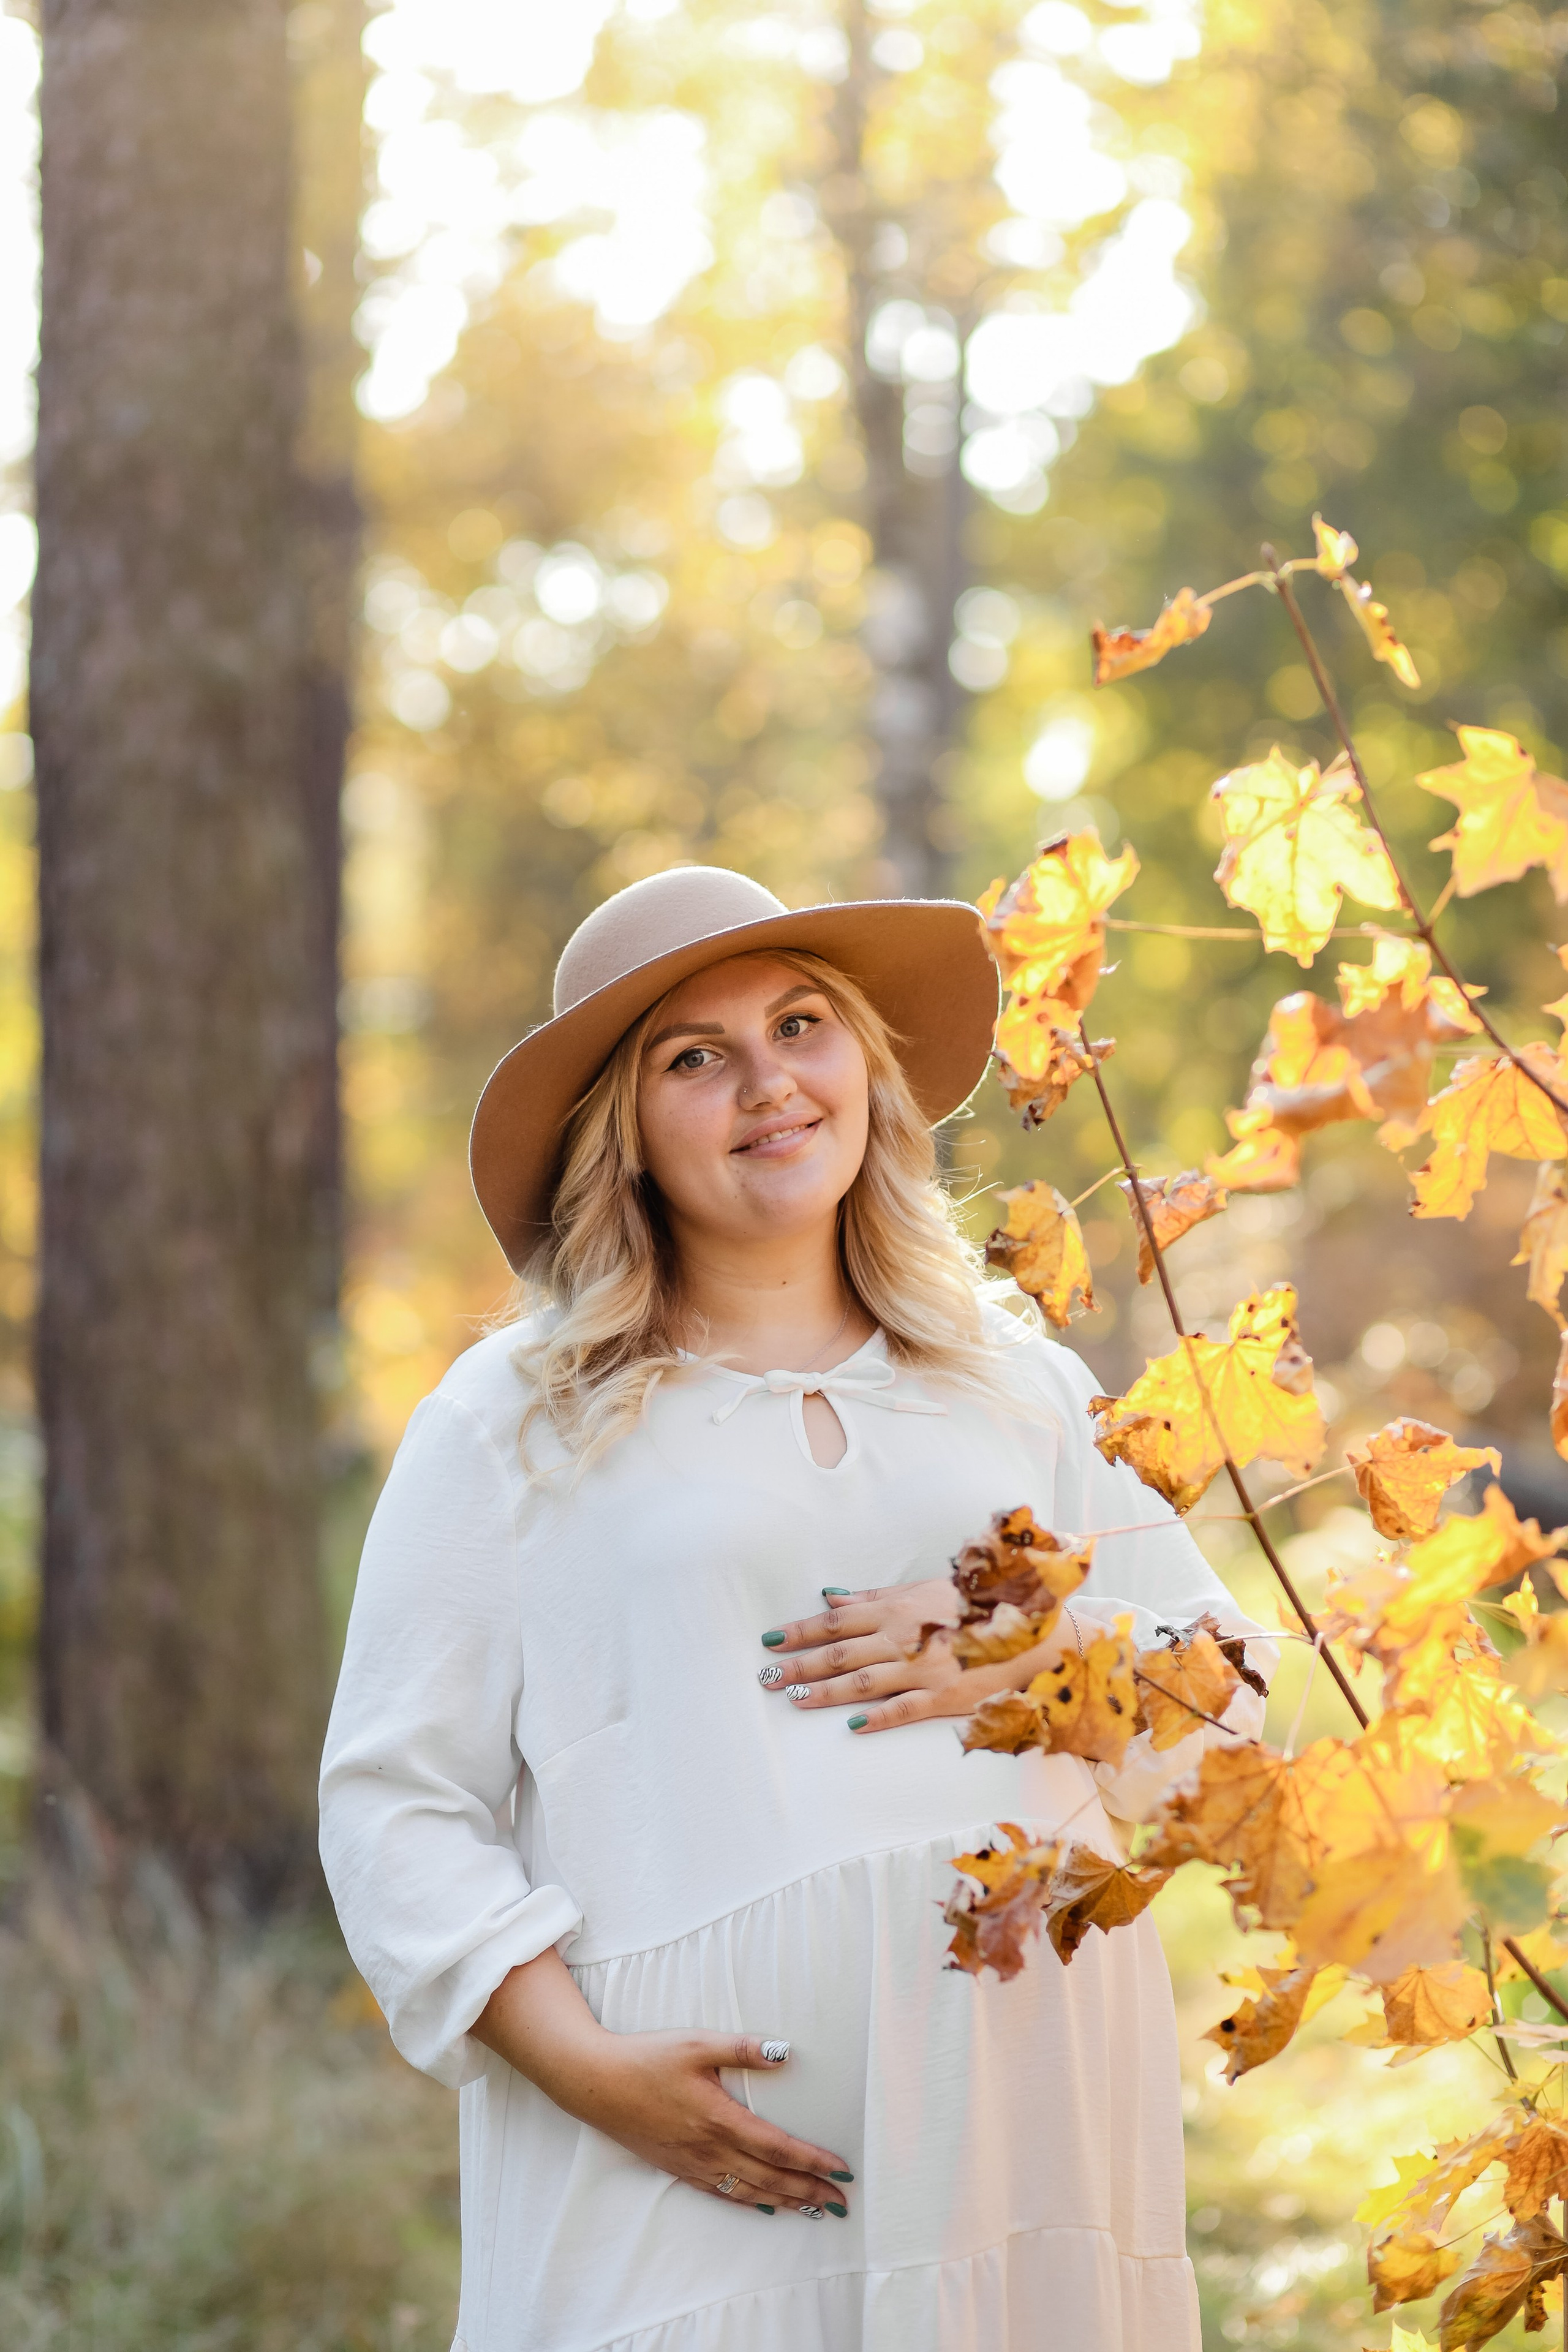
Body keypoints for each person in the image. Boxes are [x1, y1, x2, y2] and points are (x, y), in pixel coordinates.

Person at [320, 865, 1272, 2352]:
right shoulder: (513, 1418)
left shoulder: (1015, 1382)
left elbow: (1232, 1692)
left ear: (867, 1068)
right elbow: (396, 1800)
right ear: (619, 1135)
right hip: (680, 2177)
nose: (767, 1084)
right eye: (692, 1058)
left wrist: (1026, 1660)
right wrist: (582, 2068)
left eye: (800, 1024)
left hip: (1020, 2125)